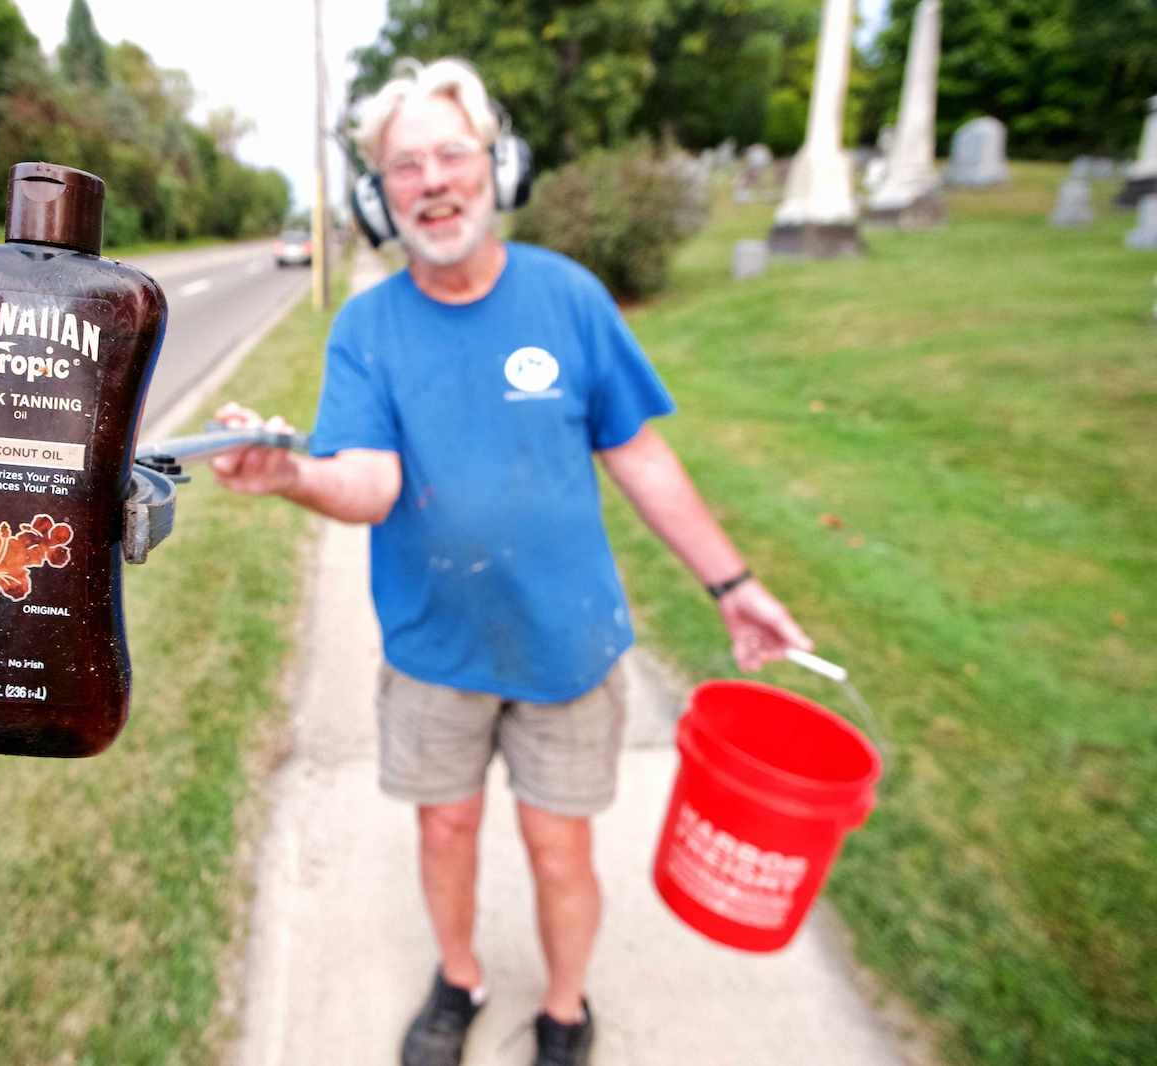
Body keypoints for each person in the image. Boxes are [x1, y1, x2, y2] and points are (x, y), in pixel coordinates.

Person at [210, 57, 811, 1066]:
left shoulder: (568, 298)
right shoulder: (367, 328)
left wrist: (732, 582)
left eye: (454, 153)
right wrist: (291, 478)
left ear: (500, 166)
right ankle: (459, 978)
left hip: (566, 650)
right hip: (433, 650)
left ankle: (565, 1008)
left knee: (556, 845)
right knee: (443, 831)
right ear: (376, 195)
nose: (433, 180)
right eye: (406, 165)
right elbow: (367, 479)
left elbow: (641, 453)